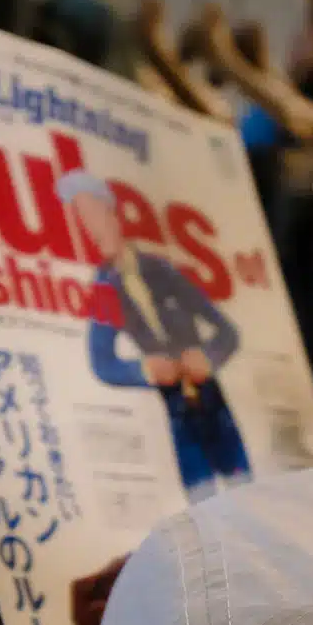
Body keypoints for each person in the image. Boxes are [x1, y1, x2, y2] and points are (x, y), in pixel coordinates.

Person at [57, 169, 249, 499]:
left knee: (245, 489)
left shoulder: (162, 269)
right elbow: (102, 363)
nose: (90, 227)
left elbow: (227, 331)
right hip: (175, 407)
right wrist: (144, 369)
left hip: (212, 399)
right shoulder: (105, 290)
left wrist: (208, 356)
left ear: (112, 213)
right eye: (81, 219)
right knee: (200, 497)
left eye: (92, 214)